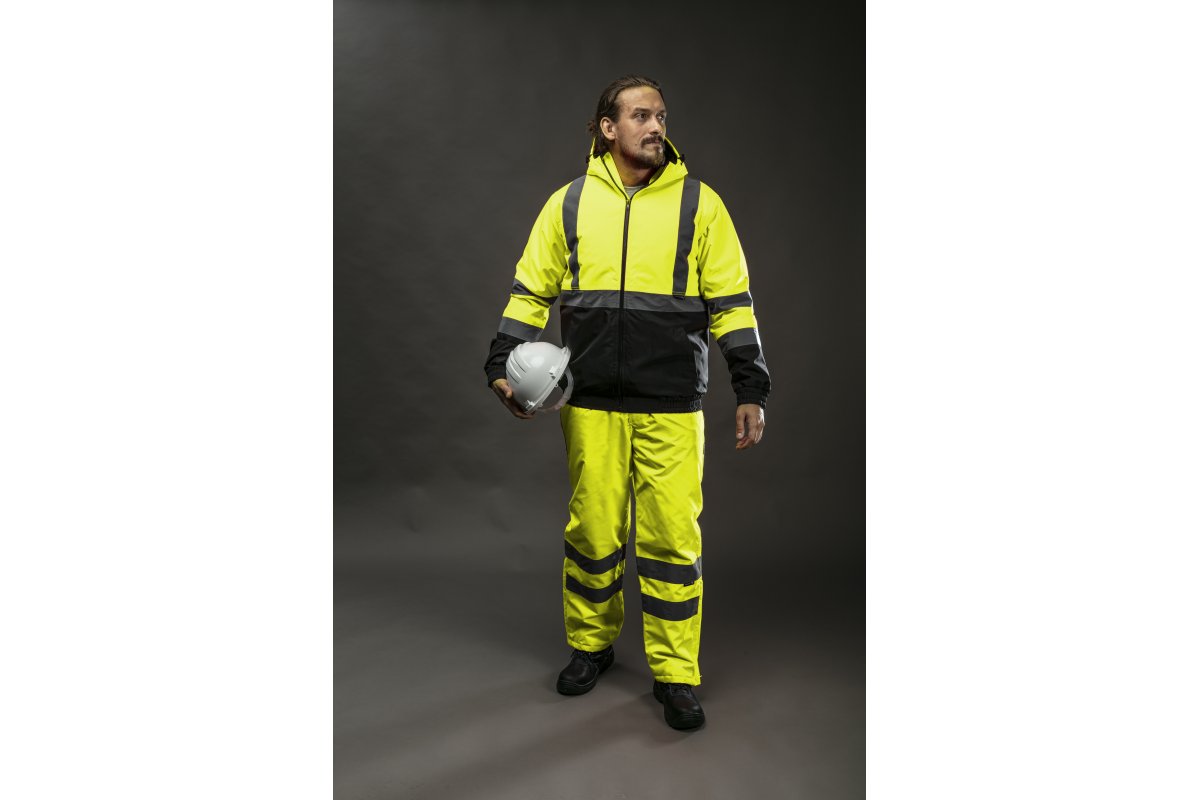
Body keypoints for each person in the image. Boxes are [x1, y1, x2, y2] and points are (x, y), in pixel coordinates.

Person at [483, 75, 771, 731]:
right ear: (607, 128)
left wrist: (751, 387)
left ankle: (676, 674)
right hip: (590, 405)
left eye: (661, 115)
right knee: (593, 534)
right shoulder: (568, 204)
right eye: (641, 115)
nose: (655, 126)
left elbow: (732, 303)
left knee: (672, 540)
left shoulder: (701, 206)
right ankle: (591, 647)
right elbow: (531, 290)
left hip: (671, 404)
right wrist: (501, 362)